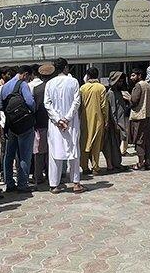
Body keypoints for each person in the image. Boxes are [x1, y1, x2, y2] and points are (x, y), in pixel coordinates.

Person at [44, 58, 83, 193]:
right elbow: (76, 102)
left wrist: (58, 119)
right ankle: (76, 183)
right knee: (74, 152)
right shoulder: (74, 82)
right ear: (66, 68)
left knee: (55, 153)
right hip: (70, 123)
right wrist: (67, 118)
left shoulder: (49, 83)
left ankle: (54, 185)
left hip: (56, 125)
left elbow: (47, 104)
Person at [1, 65, 36, 192]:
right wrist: (31, 114)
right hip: (25, 126)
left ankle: (9, 183)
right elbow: (30, 102)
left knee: (9, 155)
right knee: (24, 155)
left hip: (11, 125)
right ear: (25, 74)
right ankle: (22, 184)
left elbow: (1, 105)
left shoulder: (5, 86)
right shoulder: (22, 85)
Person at [78, 67, 108, 176]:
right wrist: (106, 119)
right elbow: (104, 106)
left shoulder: (82, 88)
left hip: (84, 119)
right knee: (96, 144)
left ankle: (85, 167)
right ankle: (95, 167)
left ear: (88, 76)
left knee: (84, 142)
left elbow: (79, 105)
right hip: (98, 119)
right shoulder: (101, 88)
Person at [31, 63, 54, 185]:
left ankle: (38, 176)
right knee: (51, 152)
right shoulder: (54, 87)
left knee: (39, 152)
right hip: (53, 123)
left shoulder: (36, 89)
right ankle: (52, 175)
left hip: (39, 124)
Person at [127, 68, 150, 170]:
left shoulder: (138, 86)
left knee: (139, 140)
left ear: (139, 75)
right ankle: (147, 162)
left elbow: (134, 100)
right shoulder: (148, 85)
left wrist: (127, 97)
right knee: (146, 139)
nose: (131, 78)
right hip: (148, 115)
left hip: (139, 116)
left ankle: (140, 163)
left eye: (133, 75)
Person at [102, 71, 129, 173]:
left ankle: (117, 163)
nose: (121, 82)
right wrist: (116, 124)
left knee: (117, 143)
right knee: (112, 144)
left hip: (120, 122)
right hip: (115, 124)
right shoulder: (111, 93)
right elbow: (112, 110)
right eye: (119, 80)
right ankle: (115, 164)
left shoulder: (118, 92)